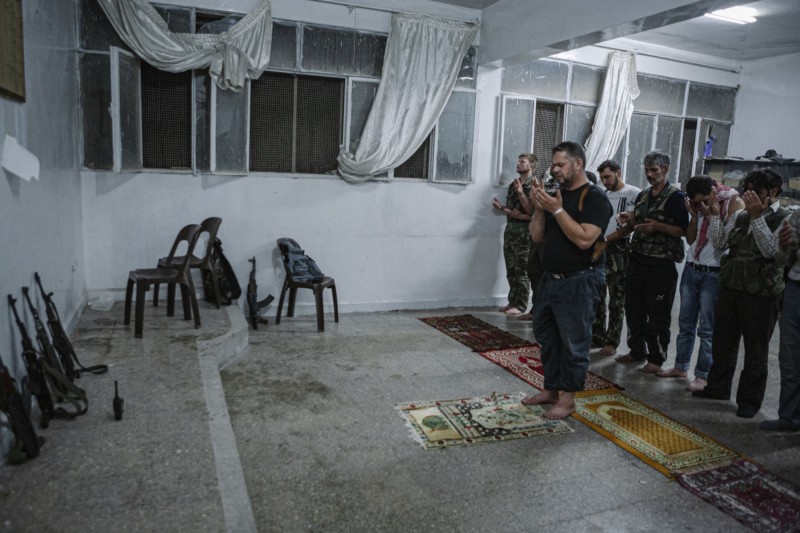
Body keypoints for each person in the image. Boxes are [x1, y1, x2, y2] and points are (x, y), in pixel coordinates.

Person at [521, 142, 611, 420]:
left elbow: (585, 240)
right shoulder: (554, 196)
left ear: (578, 164)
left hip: (579, 281)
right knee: (547, 337)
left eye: (560, 164)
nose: (554, 170)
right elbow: (537, 237)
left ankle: (568, 399)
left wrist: (558, 211)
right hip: (551, 280)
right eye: (553, 165)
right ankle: (551, 390)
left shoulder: (595, 198)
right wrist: (540, 208)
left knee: (574, 342)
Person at [693, 169, 792, 418]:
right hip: (732, 287)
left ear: (773, 192)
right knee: (723, 343)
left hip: (761, 294)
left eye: (756, 193)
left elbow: (771, 251)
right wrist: (714, 215)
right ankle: (718, 387)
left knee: (756, 350)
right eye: (747, 192)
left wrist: (757, 217)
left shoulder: (785, 218)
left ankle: (749, 401)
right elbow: (720, 243)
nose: (749, 198)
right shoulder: (741, 216)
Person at [657, 176, 743, 391]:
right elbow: (690, 239)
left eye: (702, 201)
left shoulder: (733, 202)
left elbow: (722, 242)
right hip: (691, 268)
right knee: (685, 324)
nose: (699, 205)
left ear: (713, 191)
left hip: (713, 272)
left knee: (707, 328)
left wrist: (713, 214)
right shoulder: (698, 207)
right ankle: (680, 366)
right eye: (695, 203)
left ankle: (702, 375)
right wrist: (695, 216)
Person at [614, 150, 688, 373]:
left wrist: (659, 227)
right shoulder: (644, 195)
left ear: (665, 169)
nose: (649, 174)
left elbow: (683, 231)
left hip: (661, 265)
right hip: (637, 259)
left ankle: (656, 358)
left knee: (657, 314)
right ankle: (636, 351)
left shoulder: (676, 197)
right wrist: (629, 219)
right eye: (646, 170)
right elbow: (639, 221)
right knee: (633, 309)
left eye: (654, 170)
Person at [591, 160, 641, 357]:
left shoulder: (633, 193)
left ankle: (612, 340)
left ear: (618, 173)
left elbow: (629, 227)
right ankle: (597, 335)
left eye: (608, 177)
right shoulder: (604, 194)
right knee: (597, 292)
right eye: (602, 178)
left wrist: (606, 239)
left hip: (619, 247)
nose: (605, 181)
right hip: (600, 244)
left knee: (616, 296)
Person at [761, 211, 800, 431]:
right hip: (795, 290)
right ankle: (789, 417)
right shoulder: (798, 216)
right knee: (790, 356)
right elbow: (782, 258)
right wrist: (785, 245)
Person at [492, 153, 537, 316]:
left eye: (522, 162)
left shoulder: (535, 185)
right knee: (511, 269)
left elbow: (533, 213)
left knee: (522, 271)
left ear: (531, 165)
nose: (518, 164)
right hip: (510, 231)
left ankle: (521, 304)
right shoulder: (514, 184)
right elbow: (514, 211)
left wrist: (520, 194)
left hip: (525, 233)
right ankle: (513, 301)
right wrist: (502, 208)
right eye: (518, 161)